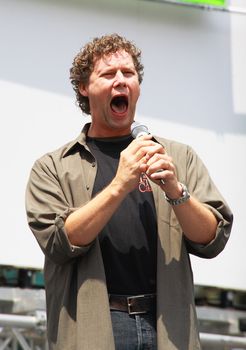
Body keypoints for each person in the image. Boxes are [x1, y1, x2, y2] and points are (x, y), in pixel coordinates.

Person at [25, 33, 233, 350]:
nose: (121, 81)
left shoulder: (177, 157)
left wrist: (176, 190)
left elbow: (212, 238)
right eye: (108, 74)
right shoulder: (53, 167)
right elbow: (59, 242)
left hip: (167, 325)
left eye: (129, 73)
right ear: (84, 88)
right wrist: (121, 183)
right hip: (97, 326)